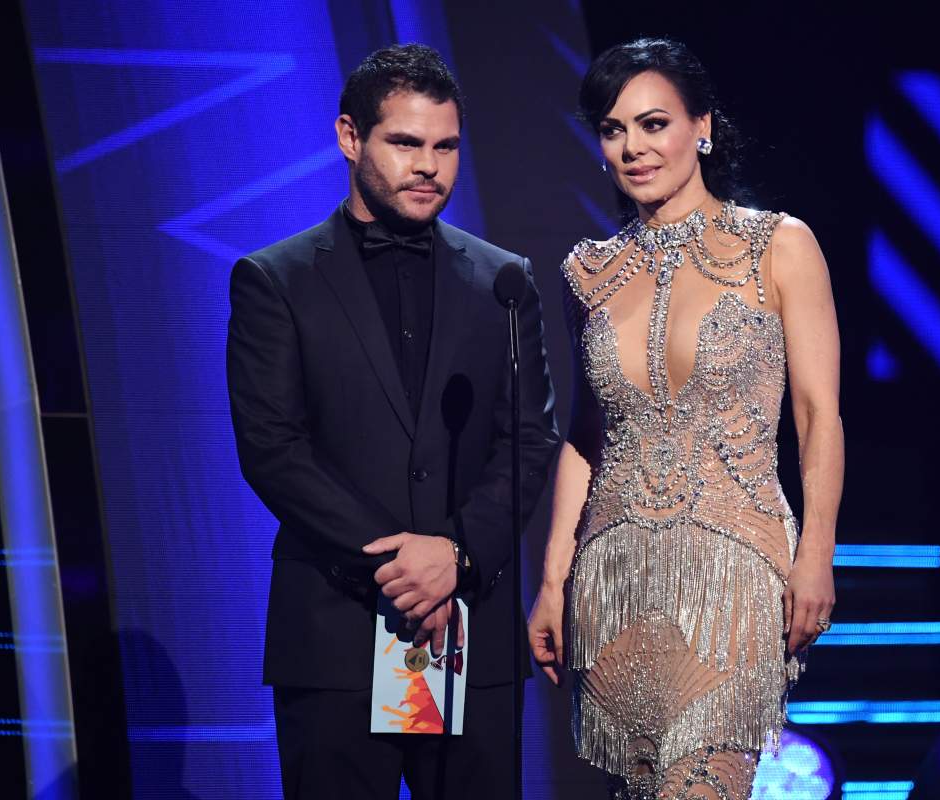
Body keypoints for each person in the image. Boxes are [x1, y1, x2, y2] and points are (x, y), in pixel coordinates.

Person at [227, 44, 559, 800]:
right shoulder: (275, 280)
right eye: (406, 143)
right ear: (350, 137)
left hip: (468, 629)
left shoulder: (503, 280)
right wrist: (405, 565)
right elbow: (274, 449)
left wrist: (458, 555)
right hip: (337, 631)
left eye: (446, 147)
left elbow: (528, 436)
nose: (429, 167)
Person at [528, 37, 843, 800]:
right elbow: (586, 436)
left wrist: (818, 553)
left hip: (734, 571)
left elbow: (817, 414)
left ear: (701, 126)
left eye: (654, 123)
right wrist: (553, 580)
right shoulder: (588, 273)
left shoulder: (780, 245)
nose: (633, 147)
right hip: (613, 577)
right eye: (613, 130)